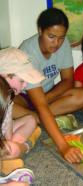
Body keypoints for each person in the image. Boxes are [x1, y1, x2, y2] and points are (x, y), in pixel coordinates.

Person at [16, 7, 83, 163]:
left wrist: (47, 98)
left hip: (47, 95)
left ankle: (37, 119)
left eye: (61, 38)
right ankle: (43, 118)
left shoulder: (63, 44)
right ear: (40, 30)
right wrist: (63, 146)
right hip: (23, 97)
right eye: (51, 36)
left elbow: (68, 80)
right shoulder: (27, 51)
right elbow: (40, 104)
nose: (57, 43)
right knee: (5, 107)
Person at [0, 47, 44, 175]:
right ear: (4, 76)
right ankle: (24, 146)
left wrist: (8, 143)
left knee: (31, 119)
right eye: (22, 81)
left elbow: (7, 132)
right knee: (12, 148)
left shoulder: (8, 96)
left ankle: (11, 154)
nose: (25, 86)